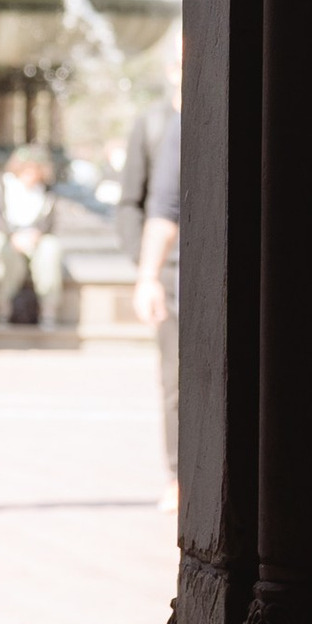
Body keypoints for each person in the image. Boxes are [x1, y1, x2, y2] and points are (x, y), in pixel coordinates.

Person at [123, 45, 182, 507]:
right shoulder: (161, 122)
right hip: (178, 277)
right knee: (177, 381)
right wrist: (146, 271)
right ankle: (179, 476)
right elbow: (148, 204)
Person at [0, 145, 65, 327]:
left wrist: (36, 234)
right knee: (6, 255)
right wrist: (13, 236)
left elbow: (49, 223)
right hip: (10, 237)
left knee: (50, 250)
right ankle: (4, 307)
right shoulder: (2, 188)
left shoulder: (47, 193)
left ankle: (48, 310)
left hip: (36, 238)